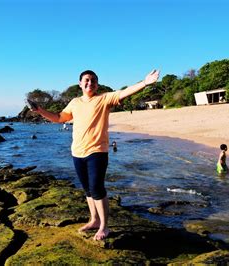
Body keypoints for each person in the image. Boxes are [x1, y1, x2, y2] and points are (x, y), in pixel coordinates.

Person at [30, 69, 159, 240]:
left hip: (97, 151)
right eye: (87, 80)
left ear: (97, 84)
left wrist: (144, 83)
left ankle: (105, 227)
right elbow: (60, 118)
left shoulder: (104, 99)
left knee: (97, 189)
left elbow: (123, 93)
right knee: (88, 190)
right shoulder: (75, 102)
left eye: (93, 81)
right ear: (80, 83)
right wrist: (40, 111)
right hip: (77, 152)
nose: (90, 83)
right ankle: (94, 220)